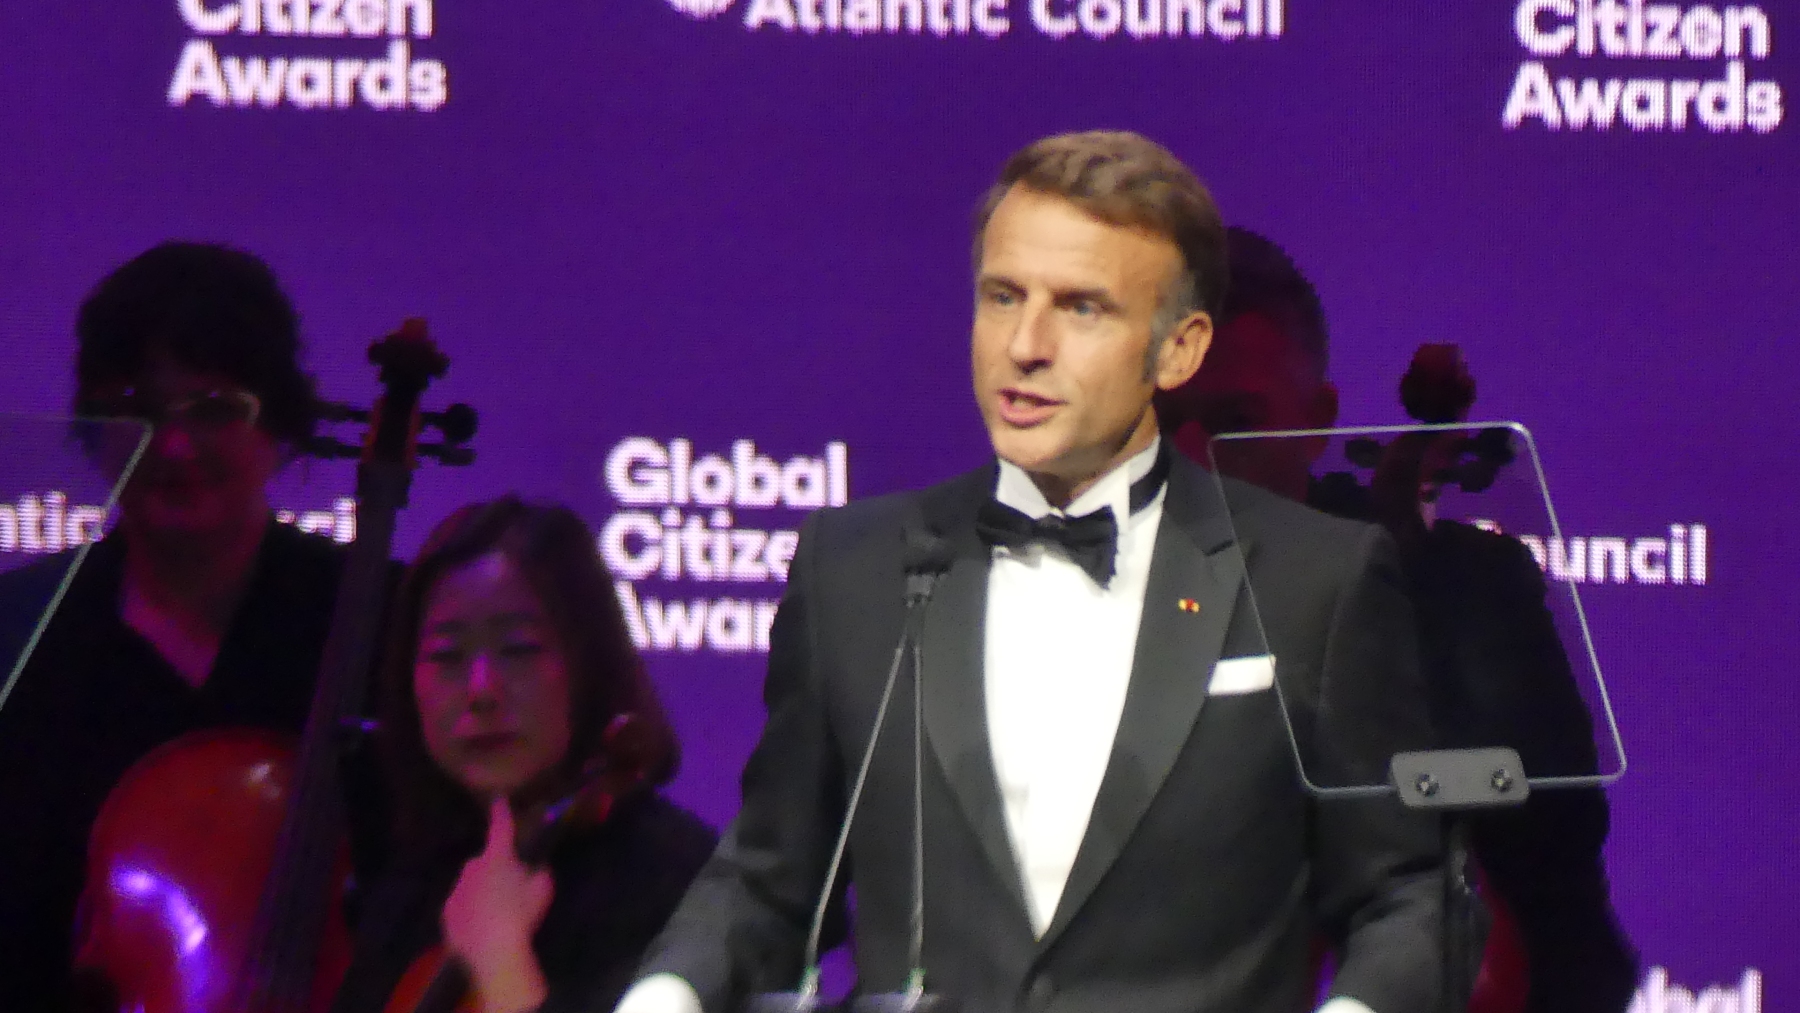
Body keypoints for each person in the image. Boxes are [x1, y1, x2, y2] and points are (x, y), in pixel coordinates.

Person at [616, 131, 1443, 1013]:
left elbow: (1406, 895)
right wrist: (662, 997)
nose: (1025, 344)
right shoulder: (854, 570)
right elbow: (768, 881)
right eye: (1003, 296)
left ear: (1178, 348)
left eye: (1082, 308)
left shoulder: (1315, 582)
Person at [1157, 228, 1640, 1013]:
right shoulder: (1040, 590)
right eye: (1156, 419)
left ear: (1318, 420)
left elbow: (1567, 923)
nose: (1189, 457)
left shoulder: (1459, 592)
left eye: (1232, 421)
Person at [0, 241, 390, 1013]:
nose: (174, 446)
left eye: (214, 409)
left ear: (279, 425)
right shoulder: (19, 630)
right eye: (139, 411)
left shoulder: (380, 616)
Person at [328, 496, 717, 1013]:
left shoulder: (680, 880)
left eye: (518, 649)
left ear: (586, 664)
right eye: (446, 655)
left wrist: (500, 962)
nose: (481, 690)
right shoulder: (409, 883)